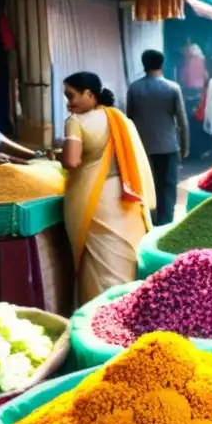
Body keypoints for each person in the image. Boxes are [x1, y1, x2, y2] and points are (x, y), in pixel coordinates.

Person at [60, 72, 155, 304]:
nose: (68, 102)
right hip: (126, 195)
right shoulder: (119, 118)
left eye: (71, 96)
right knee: (127, 254)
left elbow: (71, 162)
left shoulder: (75, 122)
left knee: (98, 259)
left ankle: (101, 313)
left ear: (90, 95)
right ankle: (133, 306)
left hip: (95, 198)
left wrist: (60, 154)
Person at [125, 50, 189, 226]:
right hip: (168, 146)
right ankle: (166, 224)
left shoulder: (134, 88)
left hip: (142, 147)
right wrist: (185, 147)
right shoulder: (172, 88)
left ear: (143, 64)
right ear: (162, 64)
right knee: (168, 187)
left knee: (147, 185)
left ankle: (148, 222)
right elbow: (182, 121)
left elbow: (129, 118)